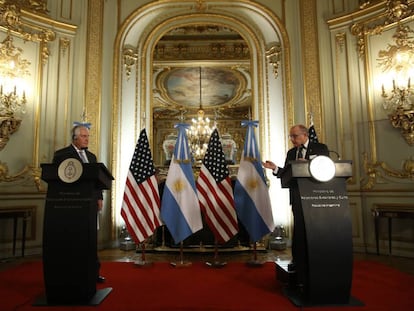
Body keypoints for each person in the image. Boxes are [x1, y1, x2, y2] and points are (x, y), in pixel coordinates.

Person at [263, 124, 329, 294]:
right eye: (290, 137)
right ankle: (299, 261)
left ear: (305, 135)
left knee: (316, 230)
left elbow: (326, 167)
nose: (292, 139)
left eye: (295, 136)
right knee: (299, 230)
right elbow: (287, 173)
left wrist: (308, 164)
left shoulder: (320, 148)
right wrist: (275, 168)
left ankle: (318, 260)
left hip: (318, 196)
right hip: (298, 197)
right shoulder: (291, 153)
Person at [52, 124, 106, 283]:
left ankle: (93, 273)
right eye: (84, 136)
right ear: (75, 138)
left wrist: (99, 197)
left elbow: (97, 181)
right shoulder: (61, 155)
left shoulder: (91, 157)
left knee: (91, 238)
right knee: (74, 239)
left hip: (90, 204)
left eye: (88, 136)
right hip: (70, 204)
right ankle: (72, 273)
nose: (87, 139)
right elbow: (57, 179)